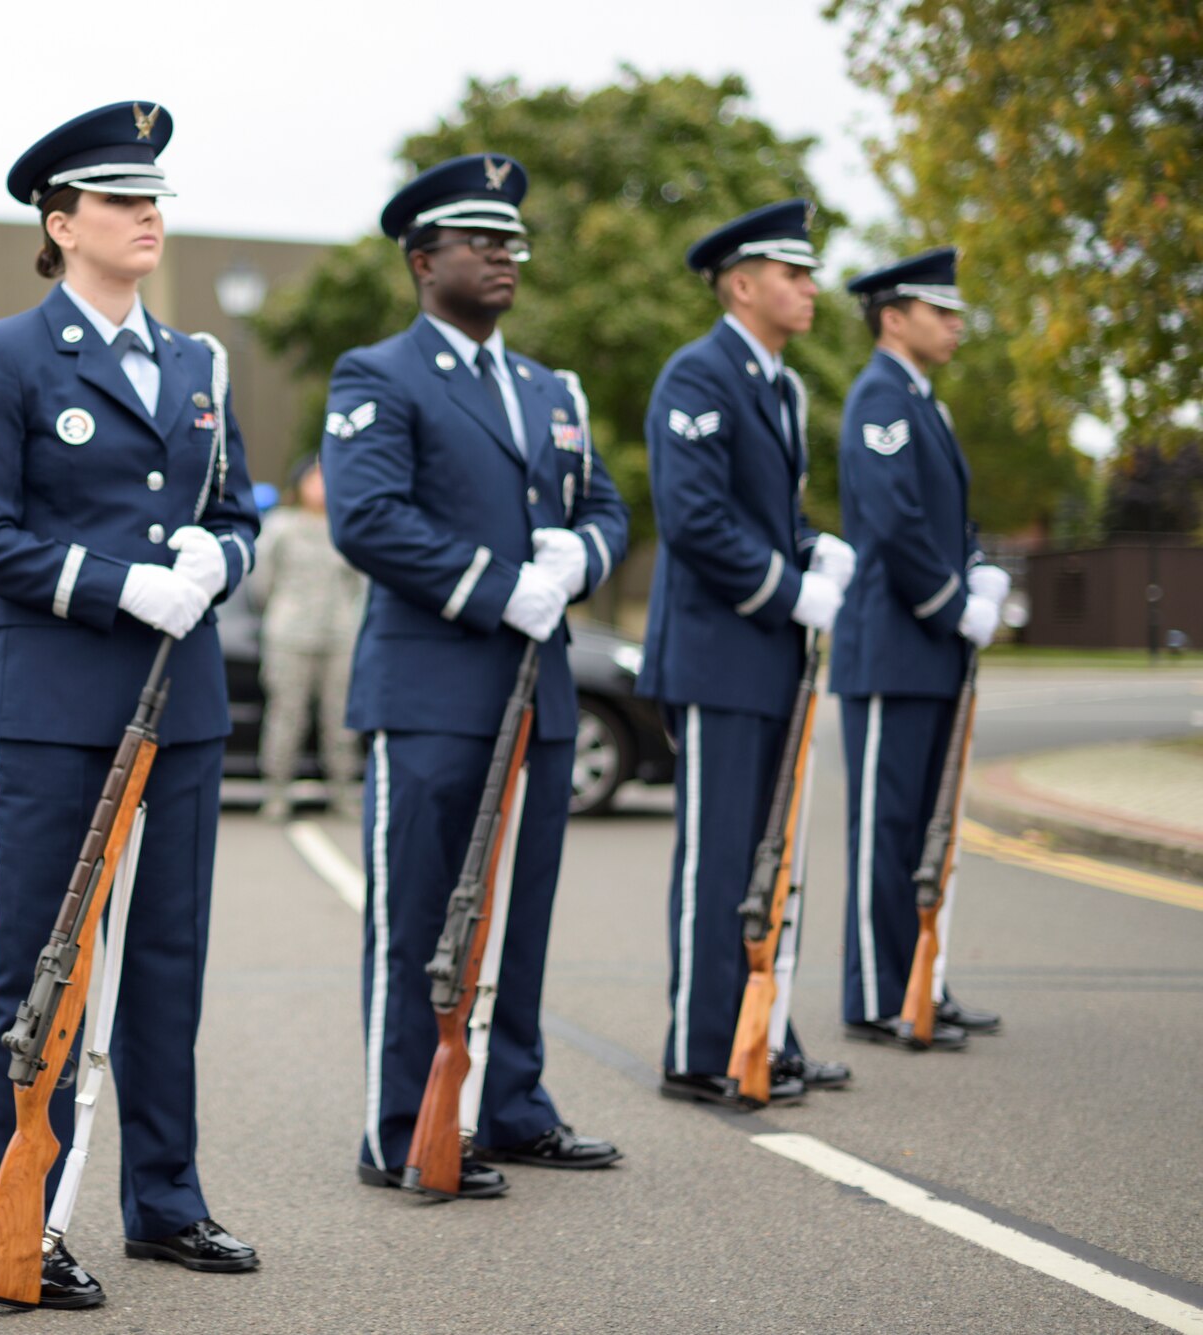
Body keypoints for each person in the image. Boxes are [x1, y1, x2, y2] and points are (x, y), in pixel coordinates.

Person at [0, 101, 262, 1309]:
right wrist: (119, 582)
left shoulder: (198, 365)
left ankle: (165, 1202)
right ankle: (15, 1212)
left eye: (155, 199)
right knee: (35, 965)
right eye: (122, 201)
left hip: (181, 703)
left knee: (166, 961)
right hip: (52, 704)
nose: (147, 216)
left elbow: (238, 510)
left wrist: (215, 564)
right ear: (59, 222)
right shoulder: (6, 353)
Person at [322, 154, 631, 1198]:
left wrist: (575, 562)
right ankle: (402, 1124)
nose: (502, 256)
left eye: (510, 241)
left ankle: (511, 1106)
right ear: (421, 261)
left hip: (532, 694)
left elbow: (607, 511)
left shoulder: (551, 390)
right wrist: (498, 586)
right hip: (430, 695)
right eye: (477, 241)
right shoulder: (380, 375)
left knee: (518, 912)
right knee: (418, 918)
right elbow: (367, 519)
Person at [638, 199, 855, 1110]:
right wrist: (787, 583)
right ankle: (700, 1043)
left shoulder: (780, 384)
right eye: (792, 274)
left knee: (772, 852)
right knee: (721, 853)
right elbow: (695, 520)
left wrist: (815, 547)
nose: (809, 288)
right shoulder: (699, 375)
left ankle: (765, 1025)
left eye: (809, 273)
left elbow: (768, 514)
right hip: (718, 652)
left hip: (769, 652)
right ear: (741, 284)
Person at [833, 247, 1008, 1049]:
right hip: (893, 650)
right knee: (890, 827)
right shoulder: (880, 398)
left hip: (927, 649)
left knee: (925, 828)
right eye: (941, 311)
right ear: (893, 317)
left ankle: (920, 981)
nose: (957, 324)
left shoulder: (922, 402)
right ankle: (879, 991)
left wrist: (978, 573)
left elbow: (946, 521)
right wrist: (952, 605)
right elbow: (896, 522)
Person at [249, 455, 365, 821]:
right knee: (286, 715)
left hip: (340, 636)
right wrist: (278, 614)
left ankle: (343, 791)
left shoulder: (347, 529)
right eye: (314, 479)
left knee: (340, 719)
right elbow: (260, 583)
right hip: (290, 634)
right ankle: (277, 792)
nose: (320, 486)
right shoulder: (281, 527)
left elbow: (362, 586)